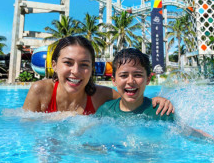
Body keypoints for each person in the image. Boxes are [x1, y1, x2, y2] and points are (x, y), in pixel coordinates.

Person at [96, 48, 214, 155]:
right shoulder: (105, 111)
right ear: (114, 80)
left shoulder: (160, 111)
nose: (130, 81)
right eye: (123, 76)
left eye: (137, 75)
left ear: (148, 79)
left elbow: (189, 132)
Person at [22, 36, 174, 116]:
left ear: (92, 68)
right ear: (54, 65)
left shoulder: (101, 95)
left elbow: (131, 97)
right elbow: (25, 128)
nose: (75, 71)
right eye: (68, 63)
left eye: (84, 65)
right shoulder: (41, 91)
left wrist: (155, 101)